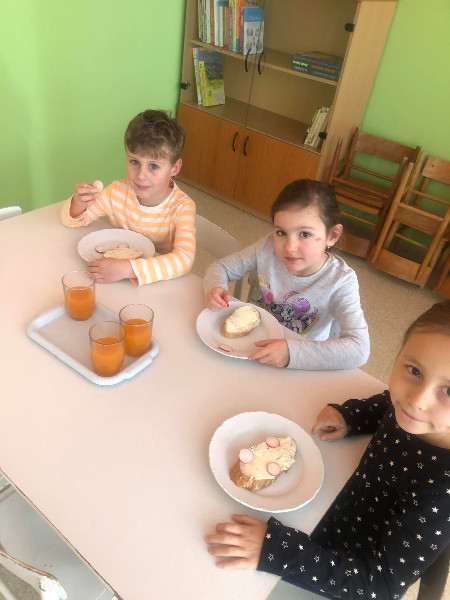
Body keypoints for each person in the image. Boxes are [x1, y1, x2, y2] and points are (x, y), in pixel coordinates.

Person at [205, 300, 450, 599]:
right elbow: (390, 402)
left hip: (343, 567)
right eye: (414, 370)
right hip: (333, 506)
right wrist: (353, 416)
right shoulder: (418, 413)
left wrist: (277, 550)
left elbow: (379, 586)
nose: (417, 400)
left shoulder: (442, 491)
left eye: (448, 390)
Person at [203, 179, 369, 370]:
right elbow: (220, 267)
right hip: (252, 346)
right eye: (281, 232)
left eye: (305, 234)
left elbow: (360, 349)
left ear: (332, 236)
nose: (290, 247)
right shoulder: (267, 247)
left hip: (301, 362)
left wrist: (290, 353)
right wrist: (215, 287)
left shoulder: (341, 281)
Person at [61, 109, 196, 286]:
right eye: (134, 162)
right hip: (116, 284)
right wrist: (78, 204)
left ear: (174, 168)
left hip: (157, 284)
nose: (141, 175)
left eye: (153, 166)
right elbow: (74, 221)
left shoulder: (182, 207)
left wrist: (128, 269)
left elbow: (184, 260)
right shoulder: (116, 192)